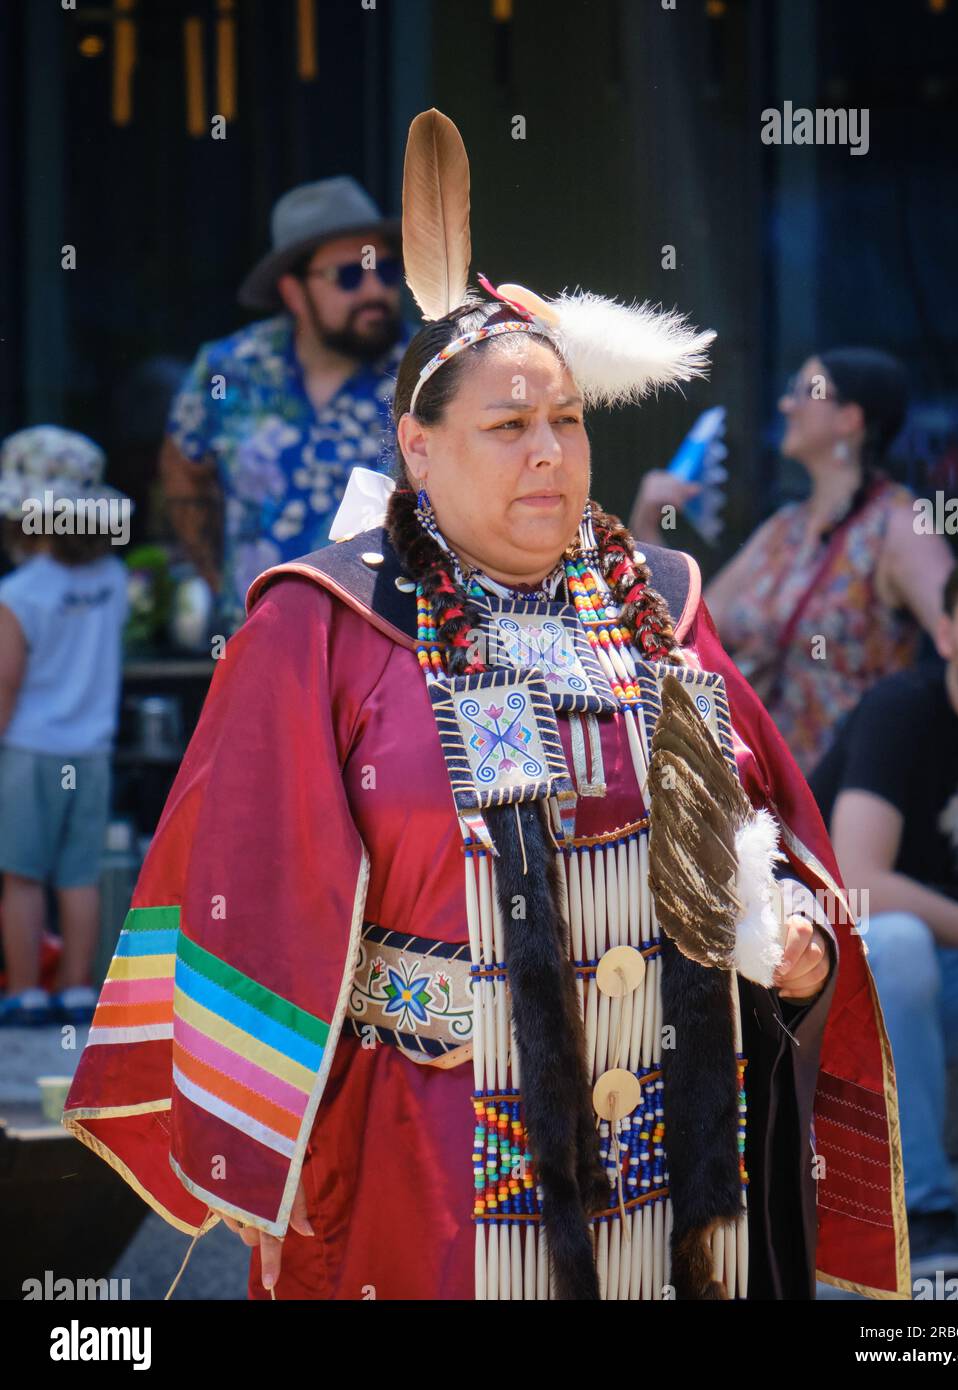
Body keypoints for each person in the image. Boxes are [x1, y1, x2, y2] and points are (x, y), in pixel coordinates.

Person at [62, 111, 906, 1302]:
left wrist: (792, 930)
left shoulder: (659, 600)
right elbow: (237, 888)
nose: (547, 456)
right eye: (505, 428)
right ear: (418, 446)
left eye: (564, 421)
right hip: (430, 1154)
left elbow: (765, 823)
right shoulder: (321, 624)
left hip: (673, 1148)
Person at [812, 540, 958, 1278]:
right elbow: (859, 877)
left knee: (919, 959)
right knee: (901, 943)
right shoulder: (901, 710)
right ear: (945, 634)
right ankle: (927, 1218)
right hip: (831, 987)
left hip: (949, 991)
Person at [631, 349, 954, 774]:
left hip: (850, 797)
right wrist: (646, 524)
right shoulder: (785, 529)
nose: (787, 405)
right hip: (764, 791)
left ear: (849, 420)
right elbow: (693, 628)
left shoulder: (898, 525)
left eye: (806, 392)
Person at [160, 175, 413, 635]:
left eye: (387, 270)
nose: (374, 290)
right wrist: (222, 583)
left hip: (386, 645)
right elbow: (183, 472)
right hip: (256, 638)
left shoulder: (427, 371)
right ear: (293, 292)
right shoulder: (228, 368)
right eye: (350, 275)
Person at [0, 428, 131, 1026]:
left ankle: (25, 991)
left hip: (29, 751)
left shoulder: (20, 592)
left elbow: (6, 684)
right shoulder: (112, 583)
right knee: (79, 876)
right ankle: (79, 988)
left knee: (23, 879)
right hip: (92, 754)